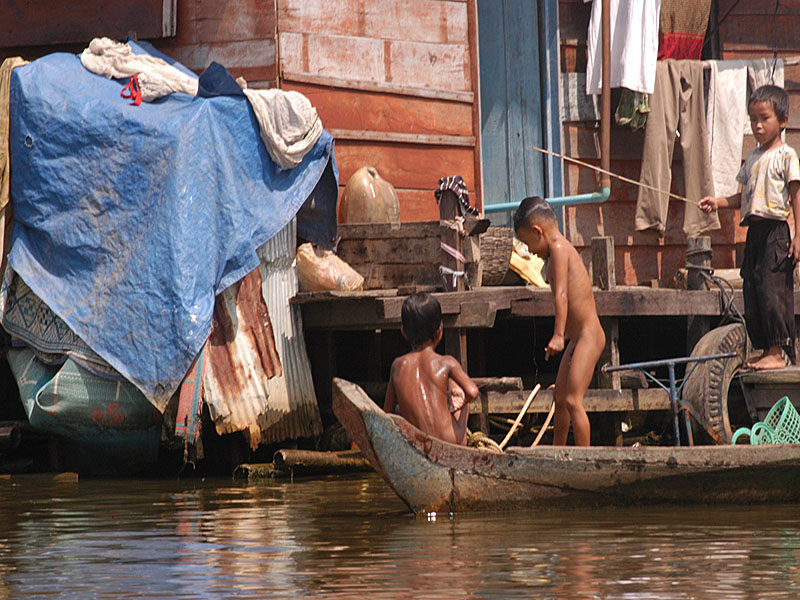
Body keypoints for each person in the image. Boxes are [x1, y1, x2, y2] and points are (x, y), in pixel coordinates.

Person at [700, 85, 800, 371]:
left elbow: (796, 195)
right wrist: (718, 202)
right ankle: (765, 349)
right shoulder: (753, 158)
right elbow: (744, 196)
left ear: (783, 120)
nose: (757, 125)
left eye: (764, 118)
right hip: (754, 233)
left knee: (772, 288)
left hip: (775, 232)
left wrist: (798, 236)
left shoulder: (786, 156)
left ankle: (777, 351)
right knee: (753, 287)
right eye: (753, 119)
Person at [513, 196, 606, 446]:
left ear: (538, 231)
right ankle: (559, 451)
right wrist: (565, 334)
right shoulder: (555, 252)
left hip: (589, 337)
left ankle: (586, 458)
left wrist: (557, 335)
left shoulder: (559, 248)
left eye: (528, 244)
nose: (531, 251)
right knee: (560, 398)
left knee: (574, 401)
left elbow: (562, 295)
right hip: (577, 338)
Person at [384, 292, 479, 445]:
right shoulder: (447, 362)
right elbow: (472, 392)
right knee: (458, 389)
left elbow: (387, 414)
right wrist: (459, 401)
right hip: (450, 441)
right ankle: (462, 444)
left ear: (404, 332)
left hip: (421, 445)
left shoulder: (397, 365)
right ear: (439, 332)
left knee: (398, 410)